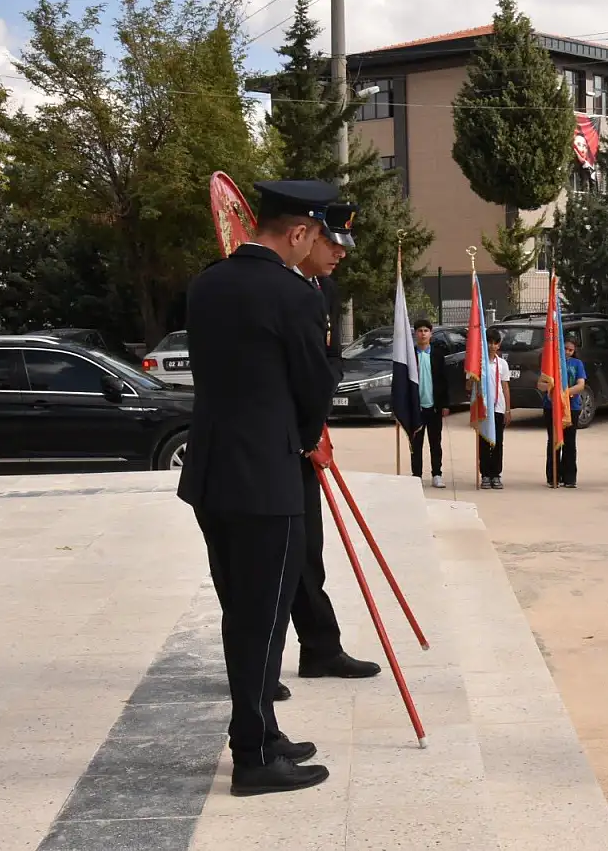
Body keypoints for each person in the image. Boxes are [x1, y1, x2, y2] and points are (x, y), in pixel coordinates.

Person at [176, 179, 338, 796]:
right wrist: (299, 439)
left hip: (212, 475)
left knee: (242, 613)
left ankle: (264, 732)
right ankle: (253, 756)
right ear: (297, 233)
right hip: (266, 480)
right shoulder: (293, 294)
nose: (317, 249)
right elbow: (313, 389)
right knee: (263, 623)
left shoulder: (207, 283)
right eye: (317, 237)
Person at [272, 204, 382, 705]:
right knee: (273, 559)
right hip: (270, 443)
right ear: (306, 236)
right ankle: (260, 666)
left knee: (307, 551)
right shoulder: (269, 286)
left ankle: (319, 648)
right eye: (331, 241)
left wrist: (319, 405)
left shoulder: (322, 288)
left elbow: (329, 358)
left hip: (305, 438)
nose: (340, 252)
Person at [539, 336, 586, 488]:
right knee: (553, 441)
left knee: (570, 443)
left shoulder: (577, 364)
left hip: (571, 407)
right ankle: (553, 476)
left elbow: (580, 385)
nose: (567, 352)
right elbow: (540, 384)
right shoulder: (551, 363)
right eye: (565, 348)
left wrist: (564, 393)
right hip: (551, 407)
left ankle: (569, 478)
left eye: (570, 350)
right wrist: (552, 389)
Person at [410, 318, 450, 488]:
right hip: (416, 408)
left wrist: (445, 404)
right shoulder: (410, 356)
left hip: (433, 407)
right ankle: (416, 475)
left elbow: (444, 380)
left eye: (426, 331)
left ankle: (437, 474)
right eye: (420, 331)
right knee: (416, 444)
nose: (423, 334)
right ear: (415, 333)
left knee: (435, 442)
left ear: (431, 334)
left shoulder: (437, 355)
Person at [479, 328, 512, 489]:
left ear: (499, 345)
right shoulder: (479, 363)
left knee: (498, 442)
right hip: (483, 408)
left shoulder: (502, 364)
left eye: (495, 343)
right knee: (484, 441)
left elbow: (505, 387)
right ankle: (485, 474)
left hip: (498, 407)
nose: (492, 346)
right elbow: (468, 385)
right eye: (489, 342)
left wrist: (508, 409)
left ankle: (495, 474)